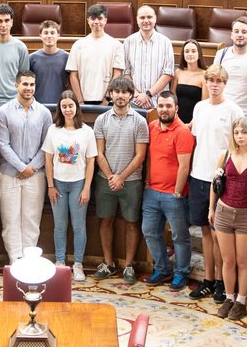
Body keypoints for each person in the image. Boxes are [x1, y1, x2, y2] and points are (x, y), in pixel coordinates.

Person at [186, 64, 244, 304]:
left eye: (219, 81)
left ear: (225, 84)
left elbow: (239, 146)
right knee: (205, 232)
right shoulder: (199, 108)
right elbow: (196, 138)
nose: (214, 85)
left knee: (221, 235)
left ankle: (223, 282)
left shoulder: (233, 110)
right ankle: (208, 280)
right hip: (198, 175)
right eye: (210, 80)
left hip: (221, 179)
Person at [210, 117, 247, 321]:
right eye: (236, 132)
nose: (239, 136)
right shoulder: (225, 155)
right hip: (224, 212)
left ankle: (241, 300)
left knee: (243, 261)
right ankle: (228, 297)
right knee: (227, 260)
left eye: (243, 132)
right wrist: (211, 208)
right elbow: (215, 183)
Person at [91, 76, 149, 283]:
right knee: (106, 220)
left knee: (131, 222)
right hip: (104, 179)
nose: (121, 96)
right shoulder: (101, 120)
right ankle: (108, 263)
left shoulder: (140, 121)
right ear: (110, 94)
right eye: (117, 92)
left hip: (131, 181)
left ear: (131, 95)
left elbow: (140, 156)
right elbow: (99, 152)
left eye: (125, 92)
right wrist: (110, 177)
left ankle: (129, 265)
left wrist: (121, 178)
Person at [0, 70, 52, 261]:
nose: (28, 88)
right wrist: (21, 167)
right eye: (25, 84)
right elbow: (2, 144)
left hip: (35, 175)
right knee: (10, 221)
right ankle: (15, 261)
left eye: (31, 85)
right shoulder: (3, 111)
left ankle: (28, 261)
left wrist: (31, 169)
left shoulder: (44, 113)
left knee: (31, 220)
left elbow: (47, 145)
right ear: (16, 85)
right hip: (9, 174)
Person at [42, 90, 97, 280]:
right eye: (64, 106)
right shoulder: (53, 130)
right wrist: (50, 185)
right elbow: (48, 160)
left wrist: (86, 188)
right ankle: (60, 262)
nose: (67, 110)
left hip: (78, 185)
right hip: (58, 184)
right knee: (59, 226)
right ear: (60, 108)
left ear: (76, 107)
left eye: (70, 106)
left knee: (79, 226)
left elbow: (91, 162)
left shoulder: (87, 132)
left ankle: (78, 264)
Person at [142, 90, 194, 291]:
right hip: (152, 192)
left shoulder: (182, 132)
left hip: (174, 195)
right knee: (149, 231)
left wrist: (178, 191)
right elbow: (149, 157)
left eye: (168, 106)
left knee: (179, 236)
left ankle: (181, 273)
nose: (164, 110)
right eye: (161, 106)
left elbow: (184, 166)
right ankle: (162, 269)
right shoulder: (152, 127)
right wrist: (147, 182)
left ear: (176, 108)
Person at [67, 4, 125, 105]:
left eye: (100, 18)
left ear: (105, 20)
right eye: (93, 19)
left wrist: (106, 99)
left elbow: (117, 75)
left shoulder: (116, 45)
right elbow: (73, 75)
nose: (96, 22)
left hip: (108, 101)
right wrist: (80, 101)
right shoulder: (78, 45)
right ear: (88, 20)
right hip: (83, 101)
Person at [211, 15, 247, 121]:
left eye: (244, 32)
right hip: (224, 112)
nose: (240, 35)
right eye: (236, 31)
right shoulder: (220, 55)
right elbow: (214, 83)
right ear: (231, 35)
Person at [123, 5, 175, 109]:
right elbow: (125, 73)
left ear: (155, 18)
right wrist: (138, 95)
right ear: (137, 20)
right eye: (142, 18)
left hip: (159, 104)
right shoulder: (128, 42)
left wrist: (147, 94)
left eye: (149, 17)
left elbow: (168, 73)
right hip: (134, 102)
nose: (146, 20)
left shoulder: (166, 42)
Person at [28, 20, 69, 107]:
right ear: (40, 36)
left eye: (52, 33)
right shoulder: (31, 58)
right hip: (37, 106)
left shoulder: (67, 57)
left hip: (61, 107)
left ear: (58, 35)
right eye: (46, 33)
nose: (49, 36)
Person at [171, 39, 208, 125]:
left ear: (199, 54)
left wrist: (191, 125)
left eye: (193, 51)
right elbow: (173, 98)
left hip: (195, 121)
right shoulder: (178, 72)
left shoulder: (205, 75)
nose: (190, 54)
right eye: (187, 51)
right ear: (183, 55)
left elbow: (204, 105)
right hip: (177, 120)